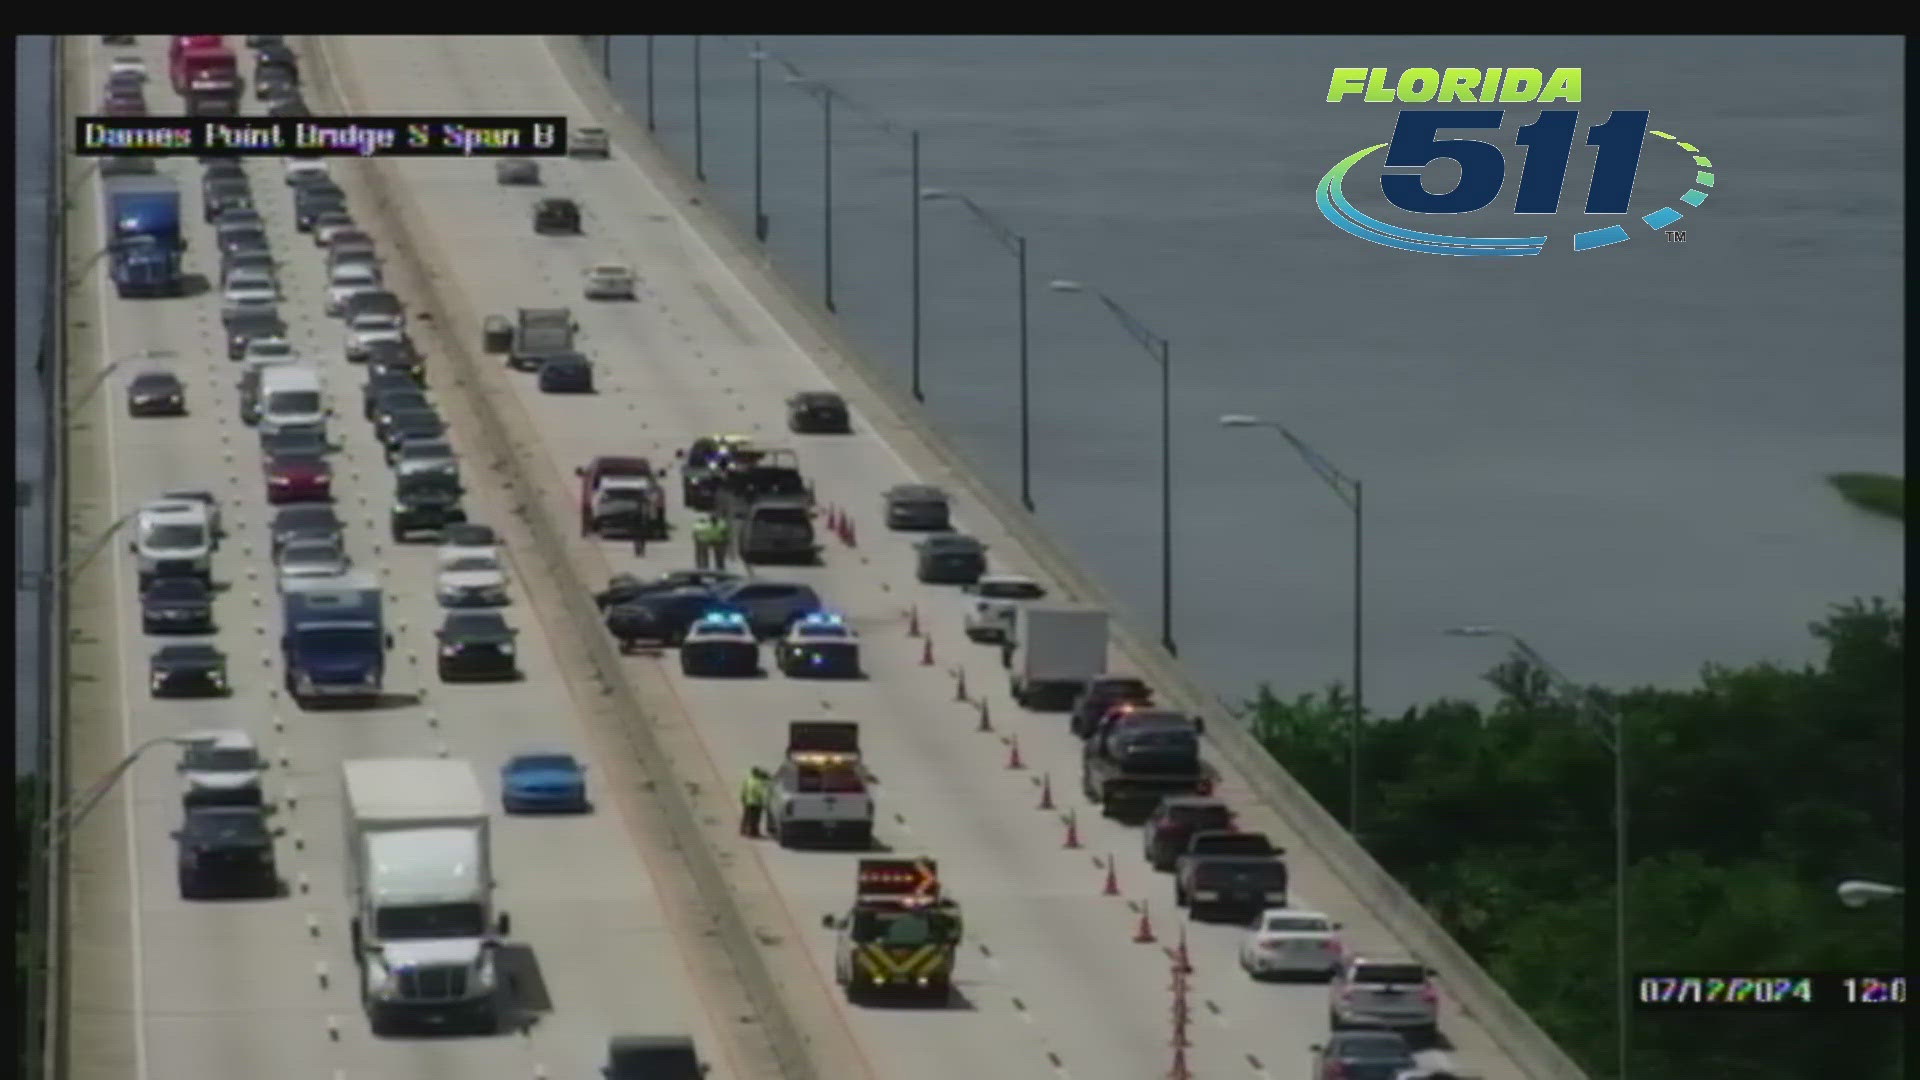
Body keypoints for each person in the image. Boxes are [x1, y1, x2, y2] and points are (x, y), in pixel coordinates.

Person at [738, 766, 770, 837]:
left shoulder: (748, 780)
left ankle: (743, 830)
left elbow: (744, 791)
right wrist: (765, 803)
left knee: (746, 817)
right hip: (756, 803)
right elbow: (761, 793)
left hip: (748, 802)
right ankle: (753, 832)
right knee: (755, 819)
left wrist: (743, 799)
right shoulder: (759, 782)